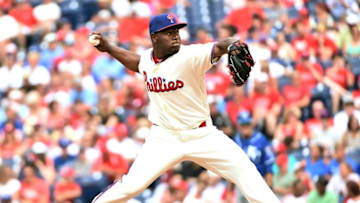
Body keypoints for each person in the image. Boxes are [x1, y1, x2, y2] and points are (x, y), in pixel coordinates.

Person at [90, 13, 280, 203]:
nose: (176, 36)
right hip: (164, 138)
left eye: (177, 31)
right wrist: (108, 48)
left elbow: (220, 46)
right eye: (169, 32)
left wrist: (233, 44)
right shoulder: (148, 58)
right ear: (154, 37)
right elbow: (137, 63)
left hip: (202, 135)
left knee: (245, 170)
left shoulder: (190, 55)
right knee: (131, 186)